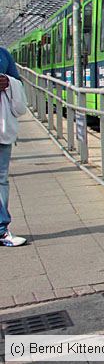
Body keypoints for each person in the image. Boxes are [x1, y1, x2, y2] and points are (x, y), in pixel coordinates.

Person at [0, 46, 26, 247]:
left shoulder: (3, 54)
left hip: (2, 128)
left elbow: (19, 83)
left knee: (1, 179)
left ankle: (1, 229)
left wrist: (9, 83)